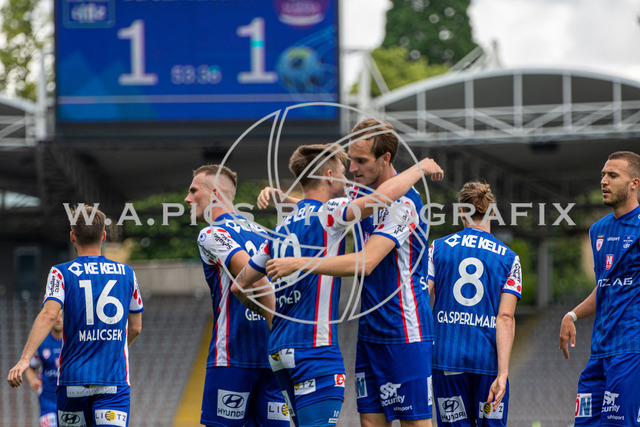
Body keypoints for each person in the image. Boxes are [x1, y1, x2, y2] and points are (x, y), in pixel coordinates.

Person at [238, 141, 443, 427]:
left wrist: (272, 315)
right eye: (346, 169)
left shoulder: (280, 229)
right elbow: (379, 200)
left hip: (282, 350)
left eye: (359, 162)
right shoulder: (335, 210)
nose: (351, 173)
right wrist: (420, 167)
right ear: (330, 176)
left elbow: (239, 285)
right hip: (316, 350)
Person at [7, 205, 143, 427]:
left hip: (73, 381)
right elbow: (136, 328)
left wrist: (24, 360)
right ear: (104, 236)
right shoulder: (127, 274)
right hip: (112, 382)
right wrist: (110, 349)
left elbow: (49, 315)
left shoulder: (60, 273)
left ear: (72, 236)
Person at [184, 164, 290, 426]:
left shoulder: (212, 233)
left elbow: (259, 281)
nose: (187, 198)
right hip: (272, 359)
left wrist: (276, 329)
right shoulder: (266, 234)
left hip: (232, 356)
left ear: (215, 194)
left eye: (194, 190)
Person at [427, 182, 520, 426]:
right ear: (492, 212)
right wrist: (503, 373)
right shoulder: (509, 258)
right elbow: (506, 318)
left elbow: (421, 297)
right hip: (487, 363)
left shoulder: (437, 248)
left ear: (461, 211)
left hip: (447, 358)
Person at [559, 151, 640, 426]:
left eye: (613, 175)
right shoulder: (598, 230)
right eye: (603, 175)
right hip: (599, 353)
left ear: (634, 183)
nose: (604, 181)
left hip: (630, 350)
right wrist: (572, 315)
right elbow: (604, 287)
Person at [25, 310, 63, 427]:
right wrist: (33, 381)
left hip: (68, 400)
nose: (58, 319)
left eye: (61, 316)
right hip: (47, 401)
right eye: (55, 316)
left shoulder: (71, 342)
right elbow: (30, 367)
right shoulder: (42, 343)